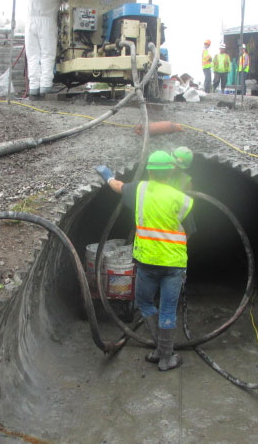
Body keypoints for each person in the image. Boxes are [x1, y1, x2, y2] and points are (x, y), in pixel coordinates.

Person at [95, 151, 196, 371]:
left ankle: (161, 350)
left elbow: (118, 186)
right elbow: (190, 231)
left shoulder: (138, 190)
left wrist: (108, 177)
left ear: (150, 170)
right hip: (173, 264)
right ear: (171, 172)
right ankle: (165, 356)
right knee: (168, 309)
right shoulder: (183, 199)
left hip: (147, 263)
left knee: (145, 303)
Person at [25, 0, 66, 100]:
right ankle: (45, 86)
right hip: (47, 21)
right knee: (47, 54)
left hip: (30, 22)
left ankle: (33, 88)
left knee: (33, 56)